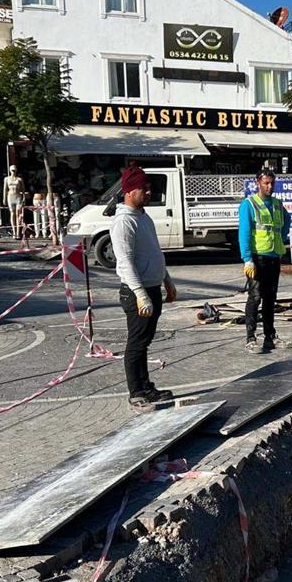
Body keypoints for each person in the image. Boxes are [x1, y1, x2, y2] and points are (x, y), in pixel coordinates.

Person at [112, 163, 177, 412]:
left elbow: (154, 253)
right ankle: (136, 392)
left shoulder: (144, 217)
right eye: (143, 188)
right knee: (136, 343)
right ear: (129, 191)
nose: (148, 192)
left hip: (152, 288)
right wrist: (140, 294)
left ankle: (146, 386)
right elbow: (125, 262)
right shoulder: (124, 223)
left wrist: (167, 281)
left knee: (145, 342)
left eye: (149, 188)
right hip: (136, 292)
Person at [239, 169, 292, 355]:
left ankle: (270, 336)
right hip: (257, 257)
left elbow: (287, 220)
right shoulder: (249, 204)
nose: (270, 187)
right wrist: (247, 259)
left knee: (271, 298)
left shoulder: (278, 204)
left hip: (274, 256)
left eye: (272, 183)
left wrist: (281, 235)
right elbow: (244, 233)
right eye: (266, 183)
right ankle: (250, 338)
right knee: (255, 297)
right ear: (258, 182)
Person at [3, 166, 25, 240]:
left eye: (15, 170)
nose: (13, 171)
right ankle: (14, 232)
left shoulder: (19, 179)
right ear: (10, 170)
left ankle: (18, 232)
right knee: (12, 213)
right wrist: (4, 198)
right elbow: (5, 189)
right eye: (12, 170)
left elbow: (23, 189)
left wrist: (24, 197)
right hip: (10, 196)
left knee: (18, 214)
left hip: (18, 196)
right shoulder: (6, 179)